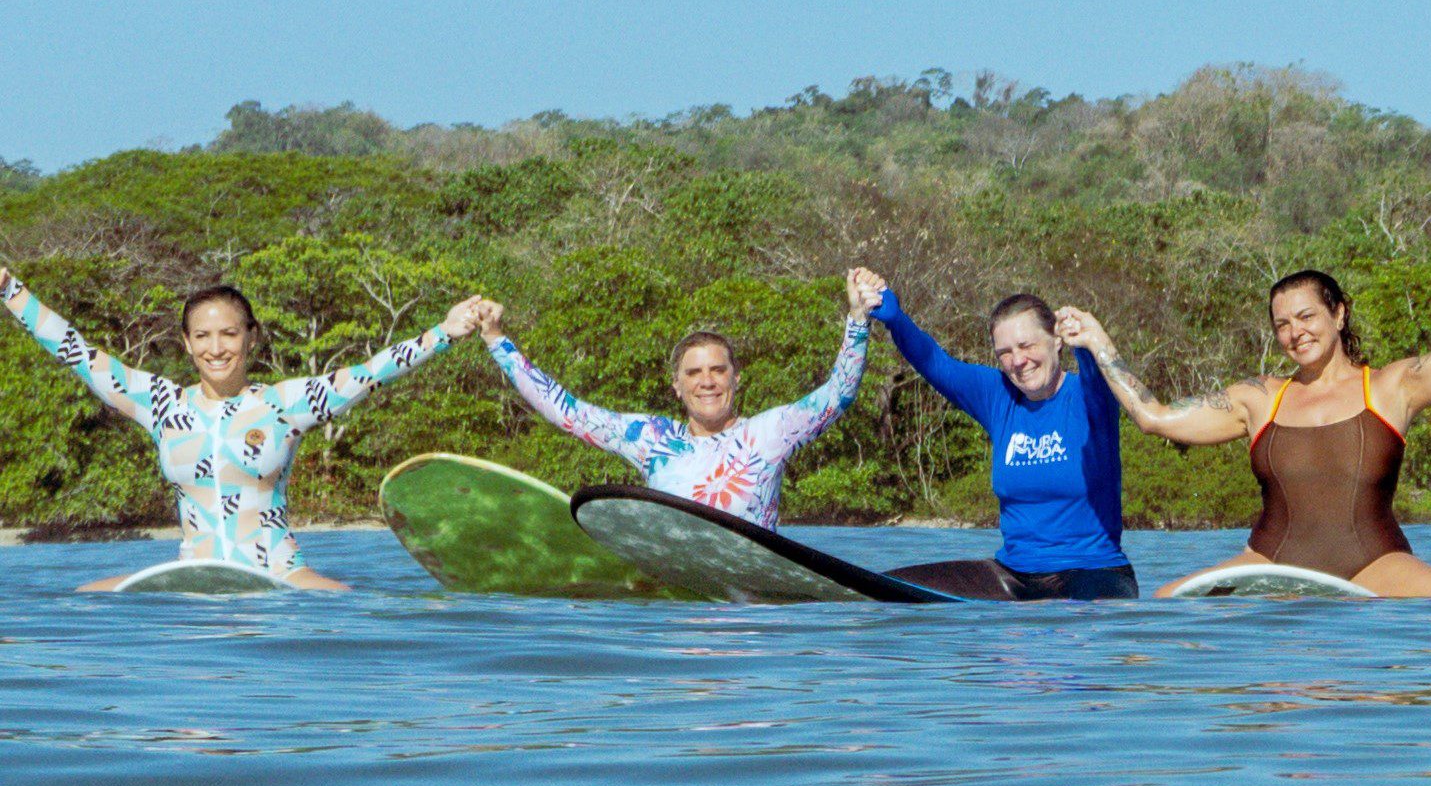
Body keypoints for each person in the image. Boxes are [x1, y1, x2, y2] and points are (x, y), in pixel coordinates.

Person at [1060, 206, 1431, 599]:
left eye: (1306, 317)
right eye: (1282, 324)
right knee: (1164, 606)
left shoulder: (1390, 387)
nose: (1295, 333)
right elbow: (1153, 417)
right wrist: (1099, 342)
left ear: (1339, 314)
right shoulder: (1259, 398)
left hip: (1374, 565)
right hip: (1269, 564)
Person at [0, 268, 483, 589]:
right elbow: (77, 352)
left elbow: (372, 372)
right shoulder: (162, 404)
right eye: (203, 336)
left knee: (355, 603)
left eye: (229, 333)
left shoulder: (286, 403)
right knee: (83, 596)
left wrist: (444, 332)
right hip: (193, 575)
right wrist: (9, 289)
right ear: (187, 345)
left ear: (251, 336)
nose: (216, 348)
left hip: (279, 575)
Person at [473, 271, 874, 530]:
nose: (708, 382)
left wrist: (858, 318)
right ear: (677, 387)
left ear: (736, 378)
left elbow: (838, 394)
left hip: (751, 621)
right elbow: (566, 411)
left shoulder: (771, 432)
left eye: (718, 370)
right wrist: (495, 339)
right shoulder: (650, 438)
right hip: (675, 619)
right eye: (694, 373)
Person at [865, 270, 1136, 600]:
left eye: (1026, 345)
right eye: (1004, 352)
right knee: (882, 592)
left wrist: (1085, 341)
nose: (1018, 360)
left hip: (1095, 574)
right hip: (1014, 576)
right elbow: (935, 362)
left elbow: (1100, 371)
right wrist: (893, 317)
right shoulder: (999, 396)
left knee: (1076, 624)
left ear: (1057, 340)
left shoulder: (1092, 397)